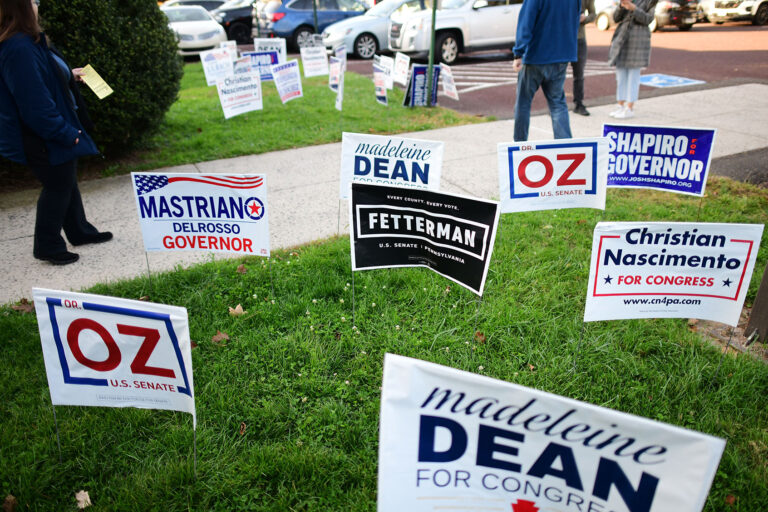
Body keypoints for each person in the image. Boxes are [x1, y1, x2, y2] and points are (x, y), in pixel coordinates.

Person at [0, 0, 111, 265]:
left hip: (52, 127)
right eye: (33, 1)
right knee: (58, 184)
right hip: (42, 134)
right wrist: (65, 133)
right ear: (21, 8)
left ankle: (80, 231)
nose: (37, 4)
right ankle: (48, 245)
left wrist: (67, 76)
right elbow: (33, 104)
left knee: (66, 178)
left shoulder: (28, 42)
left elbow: (43, 79)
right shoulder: (18, 48)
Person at [511, 0, 580, 142]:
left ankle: (519, 144)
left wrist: (518, 53)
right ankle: (565, 147)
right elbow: (575, 20)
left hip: (536, 56)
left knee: (523, 103)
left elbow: (526, 22)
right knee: (557, 104)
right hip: (562, 55)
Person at [607, 0, 657, 119]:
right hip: (622, 40)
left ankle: (630, 107)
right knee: (620, 76)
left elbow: (648, 19)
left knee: (633, 76)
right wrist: (621, 5)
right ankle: (620, 105)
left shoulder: (650, 2)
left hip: (638, 41)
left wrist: (634, 8)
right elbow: (615, 18)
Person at [571, 0, 596, 116]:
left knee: (579, 74)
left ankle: (579, 103)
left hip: (579, 39)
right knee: (557, 74)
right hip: (563, 38)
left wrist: (584, 19)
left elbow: (593, 14)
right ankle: (555, 105)